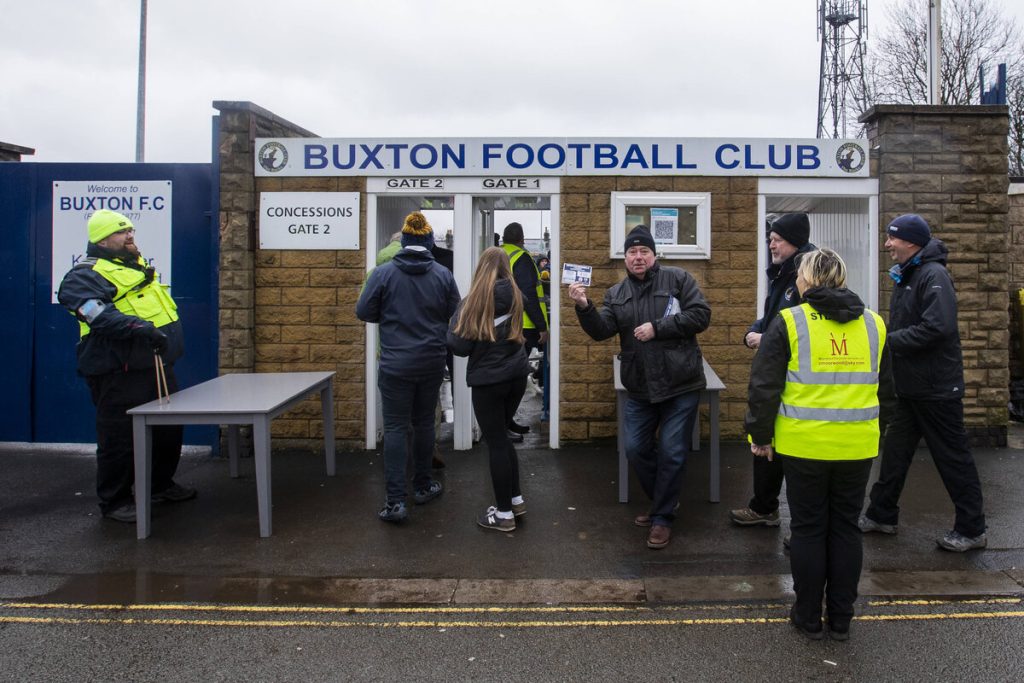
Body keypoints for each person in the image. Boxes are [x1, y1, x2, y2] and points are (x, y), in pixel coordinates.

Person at [746, 248, 891, 641]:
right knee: (845, 529)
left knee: (809, 530)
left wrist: (760, 437)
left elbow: (764, 386)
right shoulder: (875, 324)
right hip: (857, 446)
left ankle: (808, 616)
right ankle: (841, 619)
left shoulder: (790, 321)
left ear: (806, 279)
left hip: (804, 445)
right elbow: (888, 389)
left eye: (798, 276)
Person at [568, 225, 711, 550]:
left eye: (643, 251)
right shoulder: (616, 294)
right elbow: (602, 331)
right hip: (640, 386)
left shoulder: (678, 280)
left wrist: (659, 328)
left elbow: (701, 315)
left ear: (654, 254)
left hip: (680, 384)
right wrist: (584, 306)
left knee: (673, 451)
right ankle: (664, 502)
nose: (638, 257)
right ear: (625, 257)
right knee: (634, 448)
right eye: (632, 252)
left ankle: (661, 518)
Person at [56, 209, 196, 523]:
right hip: (118, 370)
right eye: (121, 232)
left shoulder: (137, 267)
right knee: (119, 438)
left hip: (156, 365)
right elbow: (95, 313)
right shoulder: (86, 274)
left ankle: (159, 485)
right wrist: (138, 328)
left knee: (167, 430)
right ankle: (115, 500)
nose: (130, 236)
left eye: (131, 230)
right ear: (103, 239)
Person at [860, 214, 987, 552]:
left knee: (952, 458)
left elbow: (938, 327)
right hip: (911, 388)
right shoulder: (910, 274)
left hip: (936, 390)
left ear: (912, 242)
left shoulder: (933, 275)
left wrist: (888, 341)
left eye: (892, 238)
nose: (887, 245)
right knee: (895, 454)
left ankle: (972, 530)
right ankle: (881, 515)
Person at [356, 211, 460, 523]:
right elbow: (456, 315)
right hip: (430, 361)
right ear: (429, 242)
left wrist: (390, 318)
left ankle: (396, 502)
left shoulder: (383, 274)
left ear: (404, 241)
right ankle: (423, 486)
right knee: (425, 424)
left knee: (397, 428)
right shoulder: (442, 275)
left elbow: (364, 311)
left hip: (395, 365)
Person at [731, 213, 817, 528]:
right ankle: (764, 506)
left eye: (776, 239)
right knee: (763, 436)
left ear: (793, 241)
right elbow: (772, 315)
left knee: (786, 449)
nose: (771, 244)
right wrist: (755, 330)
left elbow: (804, 327)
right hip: (775, 370)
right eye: (770, 239)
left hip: (792, 378)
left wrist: (765, 338)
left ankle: (801, 526)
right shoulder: (783, 273)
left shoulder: (806, 274)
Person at [447, 247, 531, 532]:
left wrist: (452, 324)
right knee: (503, 438)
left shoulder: (473, 302)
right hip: (517, 376)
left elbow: (459, 348)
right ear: (506, 267)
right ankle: (516, 500)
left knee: (495, 442)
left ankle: (504, 515)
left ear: (481, 267)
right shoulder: (518, 295)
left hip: (488, 381)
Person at [501, 222, 549, 442]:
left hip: (505, 322)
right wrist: (542, 326)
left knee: (507, 376)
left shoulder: (498, 255)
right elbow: (528, 293)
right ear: (521, 238)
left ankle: (506, 422)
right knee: (516, 378)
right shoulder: (522, 257)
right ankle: (504, 425)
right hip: (525, 325)